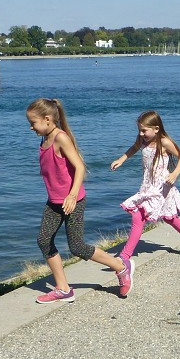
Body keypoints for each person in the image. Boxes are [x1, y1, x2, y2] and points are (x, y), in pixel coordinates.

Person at [26, 98, 133, 303]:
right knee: (43, 240)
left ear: (47, 119)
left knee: (77, 247)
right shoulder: (45, 138)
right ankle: (64, 289)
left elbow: (80, 167)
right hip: (55, 202)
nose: (31, 127)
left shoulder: (60, 138)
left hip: (73, 201)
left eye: (33, 122)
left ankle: (121, 267)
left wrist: (72, 195)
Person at [110, 110, 180, 261]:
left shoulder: (164, 142)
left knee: (140, 217)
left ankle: (124, 256)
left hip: (162, 186)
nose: (141, 134)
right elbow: (133, 148)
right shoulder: (142, 140)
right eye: (139, 130)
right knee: (168, 217)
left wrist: (174, 174)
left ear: (156, 129)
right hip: (148, 185)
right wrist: (122, 159)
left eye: (144, 130)